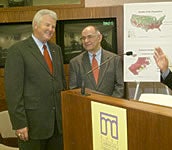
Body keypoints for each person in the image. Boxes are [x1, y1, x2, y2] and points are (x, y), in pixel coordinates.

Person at [4, 9, 67, 150]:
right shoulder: (18, 50)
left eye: (53, 26)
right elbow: (13, 92)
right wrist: (19, 123)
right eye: (47, 25)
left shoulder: (57, 50)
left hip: (57, 126)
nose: (51, 29)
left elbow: (62, 84)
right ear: (36, 25)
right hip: (32, 127)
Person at [69, 25, 124, 98]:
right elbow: (74, 89)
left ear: (99, 38)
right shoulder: (75, 62)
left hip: (109, 106)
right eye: (83, 38)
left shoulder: (114, 59)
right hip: (85, 106)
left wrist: (111, 104)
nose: (86, 41)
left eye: (89, 37)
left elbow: (119, 87)